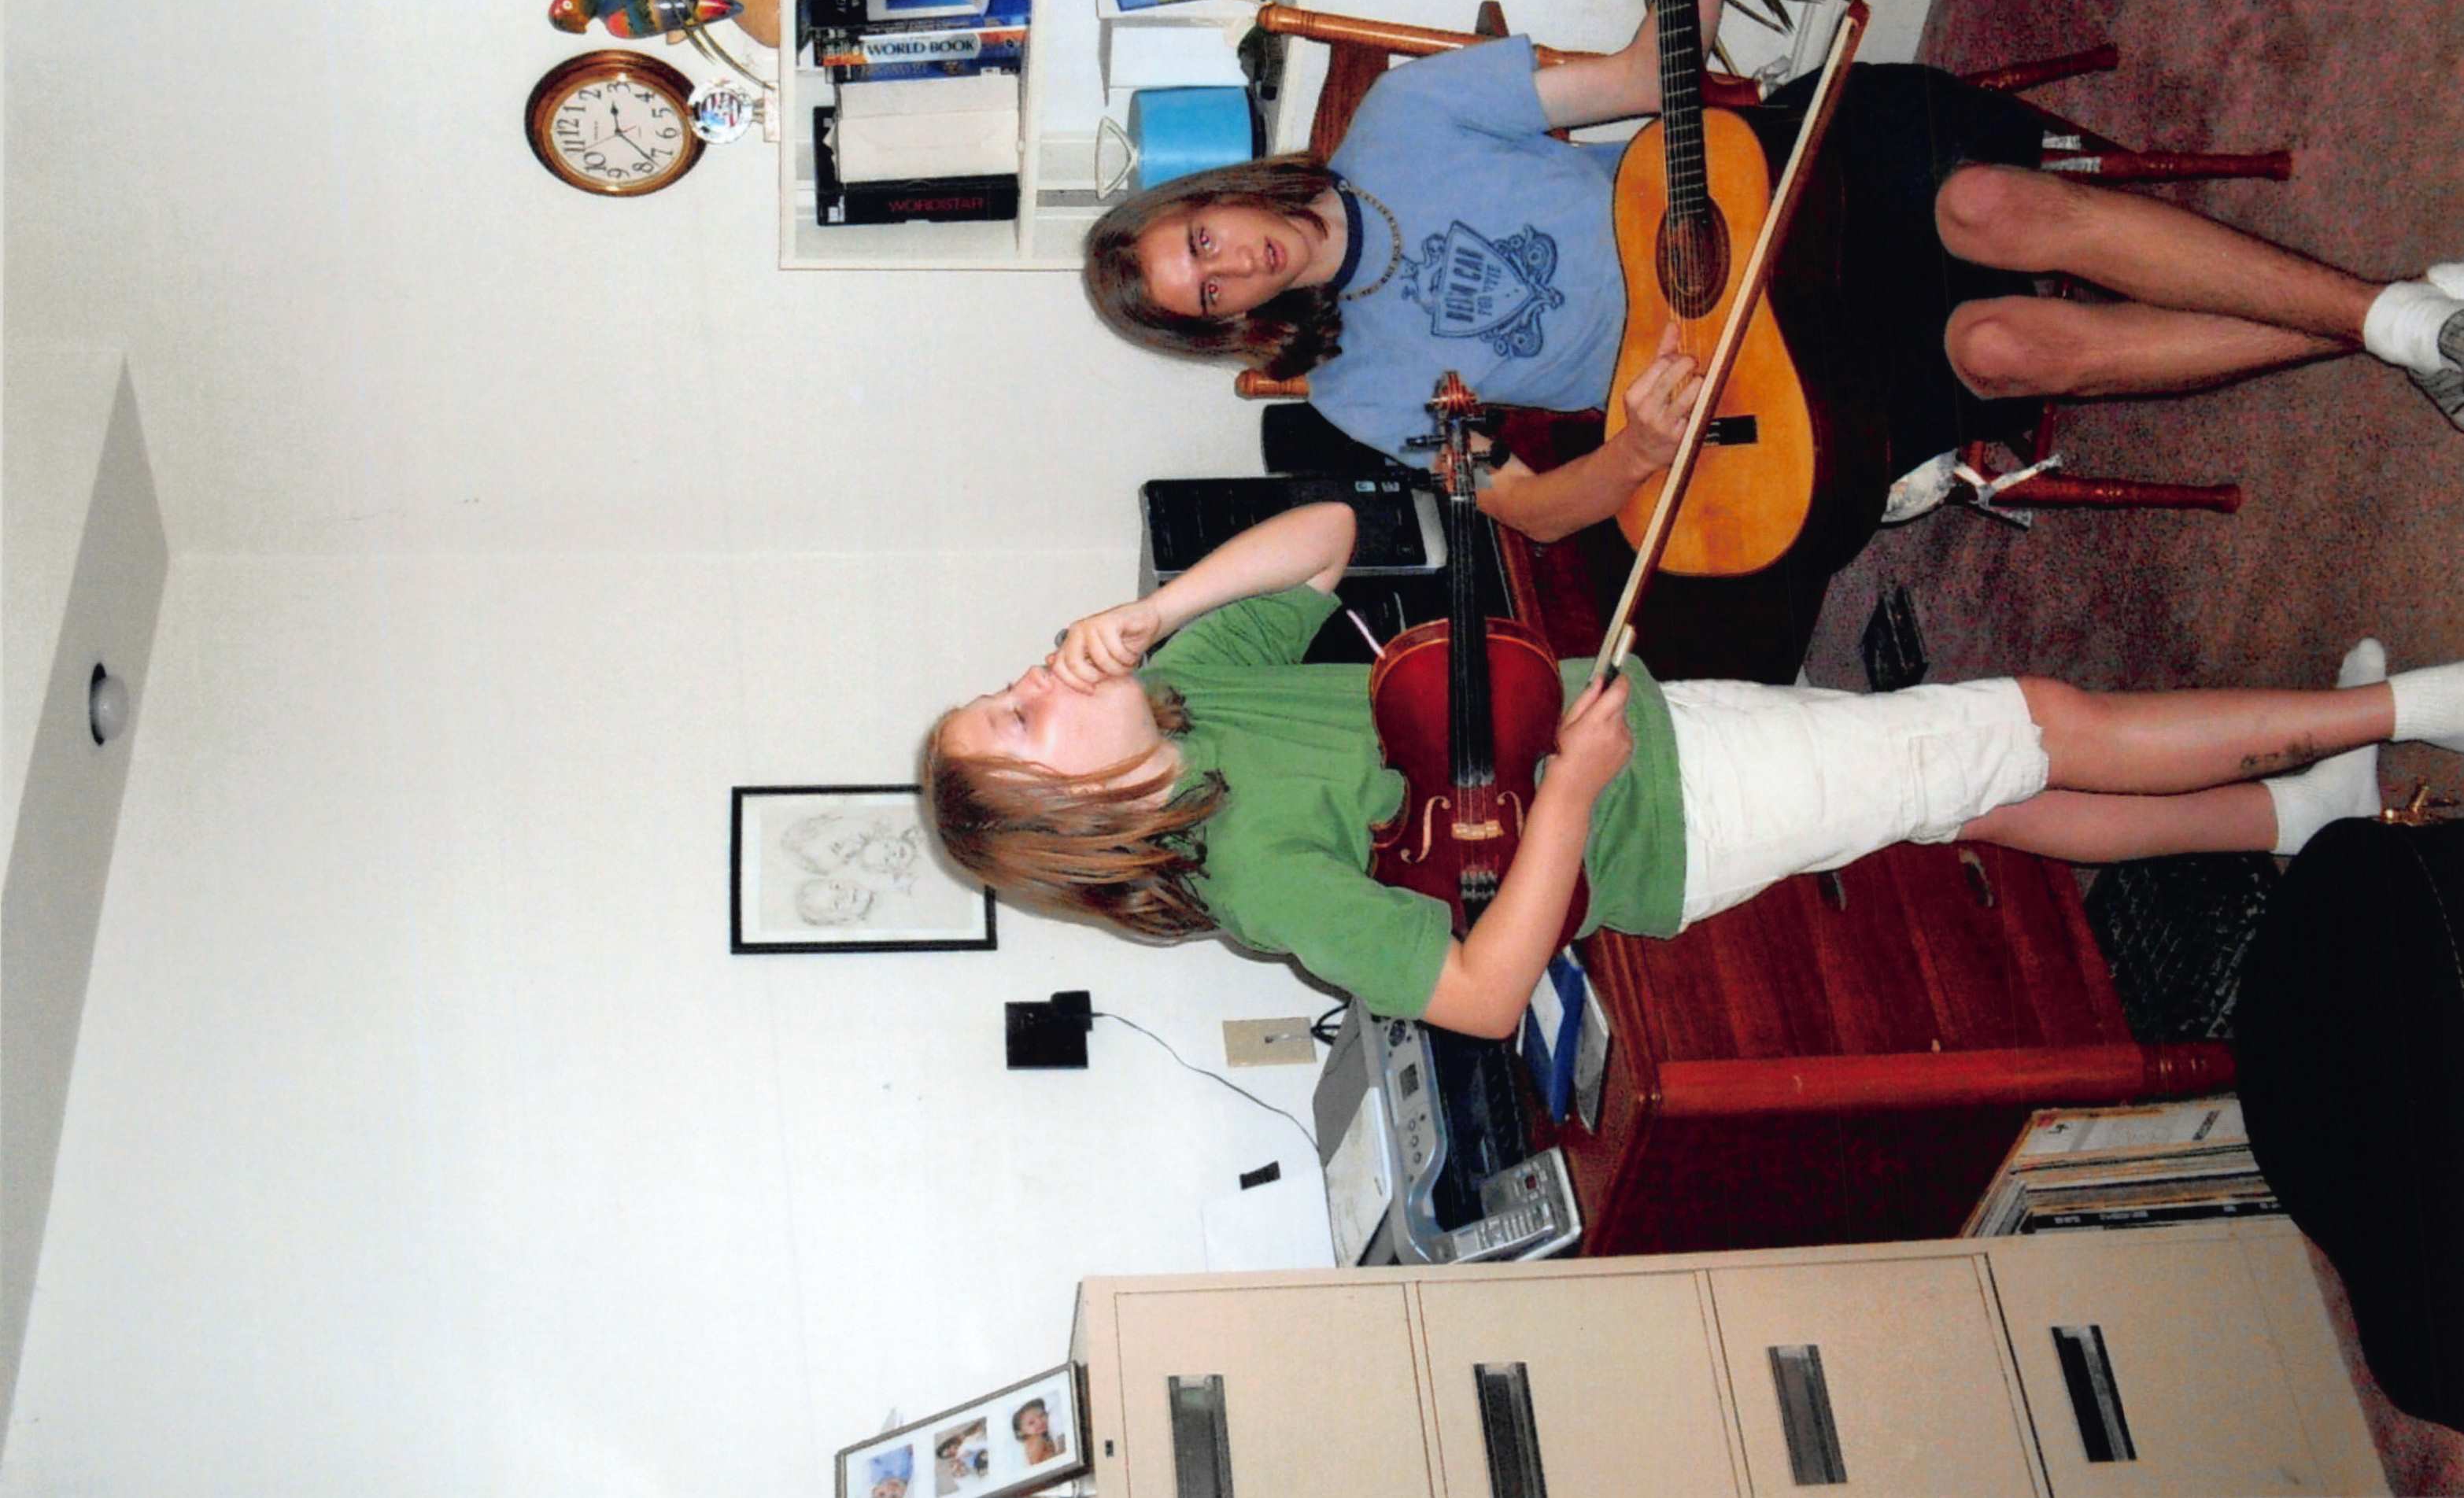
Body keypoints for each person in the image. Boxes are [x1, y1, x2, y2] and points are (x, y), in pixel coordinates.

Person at [1082, 0, 2464, 545]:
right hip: (1754, 370)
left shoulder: (1407, 119)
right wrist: (1636, 449)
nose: (1229, 267)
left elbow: (1646, 76)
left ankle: (2395, 319)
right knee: (2002, 346)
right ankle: (2383, 328)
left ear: (1214, 199)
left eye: (1198, 241)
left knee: (1990, 206)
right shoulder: (1355, 387)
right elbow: (1534, 515)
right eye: (1205, 295)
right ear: (1226, 325)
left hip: (1770, 195)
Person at [922, 502, 2464, 1038]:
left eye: (1003, 688)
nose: (1031, 682)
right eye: (1016, 723)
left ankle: (2296, 808)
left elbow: (1329, 540)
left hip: (1654, 736)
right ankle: (2419, 711)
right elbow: (1482, 993)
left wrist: (1158, 609)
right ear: (1060, 817)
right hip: (1672, 804)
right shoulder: (1252, 874)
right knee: (2029, 721)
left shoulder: (1190, 686)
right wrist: (1574, 792)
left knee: (1979, 794)